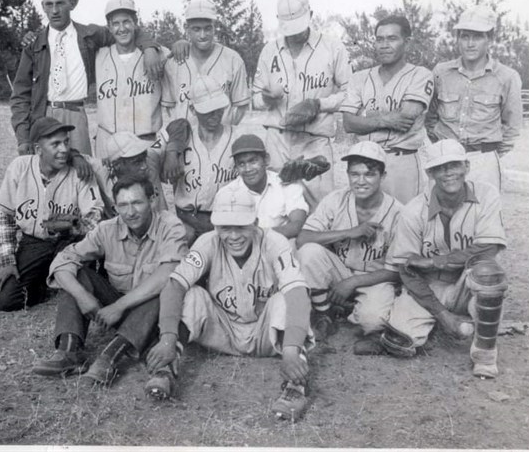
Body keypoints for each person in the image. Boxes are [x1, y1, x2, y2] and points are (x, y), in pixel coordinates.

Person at [144, 187, 315, 421]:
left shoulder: (275, 242)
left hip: (266, 334)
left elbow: (297, 293)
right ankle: (167, 368)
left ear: (255, 222)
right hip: (222, 331)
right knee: (193, 295)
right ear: (216, 226)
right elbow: (175, 286)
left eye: (241, 226)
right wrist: (167, 338)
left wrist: (291, 350)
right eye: (225, 227)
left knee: (283, 299)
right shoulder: (208, 242)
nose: (233, 236)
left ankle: (295, 389)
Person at [32, 174, 188, 384]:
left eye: (137, 203)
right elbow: (63, 260)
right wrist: (83, 297)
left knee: (160, 289)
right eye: (123, 205)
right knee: (77, 274)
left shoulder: (171, 226)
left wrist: (119, 307)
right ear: (115, 208)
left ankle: (109, 358)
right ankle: (68, 352)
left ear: (152, 201)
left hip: (151, 315)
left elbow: (169, 272)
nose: (130, 212)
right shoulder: (107, 229)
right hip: (116, 305)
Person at [372, 140, 508, 379]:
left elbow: (489, 247)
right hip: (430, 286)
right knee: (401, 342)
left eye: (454, 164)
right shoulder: (413, 210)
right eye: (440, 167)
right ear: (430, 172)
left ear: (466, 166)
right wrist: (443, 316)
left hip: (468, 284)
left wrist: (436, 261)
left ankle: (485, 354)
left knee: (488, 273)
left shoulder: (487, 194)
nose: (448, 172)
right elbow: (406, 270)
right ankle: (450, 319)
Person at [10, 0, 162, 156]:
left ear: (72, 4)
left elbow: (126, 30)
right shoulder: (34, 44)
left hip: (76, 115)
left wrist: (150, 48)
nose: (54, 10)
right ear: (43, 6)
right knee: (46, 174)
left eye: (60, 3)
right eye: (49, 4)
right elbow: (20, 95)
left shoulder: (89, 35)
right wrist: (23, 138)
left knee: (82, 172)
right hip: (44, 114)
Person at [296, 141, 402, 349]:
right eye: (355, 174)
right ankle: (324, 313)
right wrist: (349, 232)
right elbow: (302, 238)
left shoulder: (398, 212)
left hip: (375, 279)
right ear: (348, 175)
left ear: (383, 176)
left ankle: (345, 307)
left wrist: (352, 283)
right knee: (309, 252)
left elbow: (398, 270)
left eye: (369, 174)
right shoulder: (336, 200)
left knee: (373, 322)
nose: (360, 181)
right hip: (340, 271)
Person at [0, 117, 103, 312]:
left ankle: (61, 278)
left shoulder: (80, 169)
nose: (64, 149)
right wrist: (8, 261)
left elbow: (96, 216)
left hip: (70, 243)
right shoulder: (20, 167)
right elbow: (4, 217)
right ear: (38, 149)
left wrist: (74, 226)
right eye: (55, 144)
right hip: (34, 243)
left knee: (88, 290)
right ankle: (43, 286)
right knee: (4, 299)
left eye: (66, 142)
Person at [252, 0, 352, 207]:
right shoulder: (269, 51)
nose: (294, 34)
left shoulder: (333, 48)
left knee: (321, 206)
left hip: (314, 140)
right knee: (275, 205)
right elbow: (255, 99)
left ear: (311, 15)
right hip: (277, 139)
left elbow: (350, 94)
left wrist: (319, 104)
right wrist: (266, 99)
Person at [426, 6, 523, 190]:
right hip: (444, 159)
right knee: (440, 215)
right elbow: (430, 118)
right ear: (458, 39)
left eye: (477, 36)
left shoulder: (506, 77)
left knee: (482, 214)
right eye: (464, 36)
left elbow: (512, 127)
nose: (470, 43)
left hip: (483, 161)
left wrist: (488, 154)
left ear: (490, 39)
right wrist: (442, 148)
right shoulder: (441, 72)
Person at [341, 15, 434, 204]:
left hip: (401, 160)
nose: (384, 45)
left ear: (406, 42)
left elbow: (404, 119)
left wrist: (365, 116)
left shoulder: (420, 75)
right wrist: (385, 119)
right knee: (367, 223)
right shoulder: (359, 77)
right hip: (365, 163)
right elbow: (348, 123)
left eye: (392, 38)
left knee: (404, 222)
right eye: (379, 39)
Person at [153, 74, 239, 244]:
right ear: (193, 109)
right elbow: (148, 156)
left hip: (226, 222)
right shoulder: (178, 134)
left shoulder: (238, 137)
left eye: (218, 108)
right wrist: (171, 153)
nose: (214, 115)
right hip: (186, 221)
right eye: (207, 111)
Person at [94, 0, 170, 160]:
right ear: (109, 27)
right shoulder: (98, 56)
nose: (122, 28)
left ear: (135, 23)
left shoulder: (160, 54)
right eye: (115, 23)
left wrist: (182, 44)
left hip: (146, 141)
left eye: (126, 22)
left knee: (150, 184)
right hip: (108, 142)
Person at [161, 0, 250, 126]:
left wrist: (225, 129)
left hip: (223, 139)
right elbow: (169, 107)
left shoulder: (232, 59)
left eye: (207, 28)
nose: (202, 35)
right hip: (185, 140)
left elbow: (240, 105)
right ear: (187, 29)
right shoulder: (174, 62)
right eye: (196, 29)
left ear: (214, 27)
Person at [218, 134, 309, 239]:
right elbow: (226, 234)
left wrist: (256, 235)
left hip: (280, 246)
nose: (248, 169)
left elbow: (296, 226)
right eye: (241, 164)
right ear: (236, 167)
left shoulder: (287, 185)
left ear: (266, 160)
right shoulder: (226, 194)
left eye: (253, 161)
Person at [90, 131, 168, 217]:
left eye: (144, 158)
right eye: (137, 162)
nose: (145, 166)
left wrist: (173, 151)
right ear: (117, 165)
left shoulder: (151, 157)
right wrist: (76, 157)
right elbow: (82, 158)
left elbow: (172, 130)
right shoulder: (103, 173)